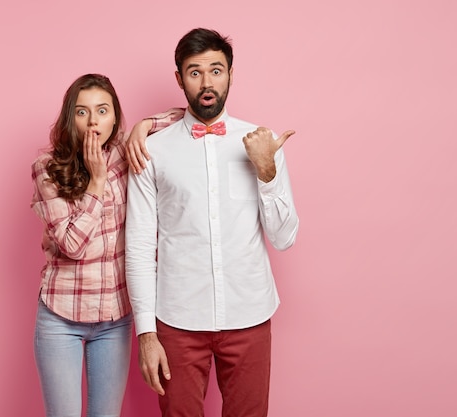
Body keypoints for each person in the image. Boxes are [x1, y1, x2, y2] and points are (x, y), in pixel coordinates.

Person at [125, 28, 299, 417]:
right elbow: (137, 246)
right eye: (195, 72)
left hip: (249, 314)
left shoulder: (264, 141)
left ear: (231, 75)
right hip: (177, 320)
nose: (207, 83)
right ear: (179, 79)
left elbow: (284, 238)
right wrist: (146, 334)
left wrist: (267, 171)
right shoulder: (151, 149)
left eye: (216, 71)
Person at [30, 73, 182, 417]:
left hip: (114, 318)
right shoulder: (47, 169)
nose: (93, 120)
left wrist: (143, 126)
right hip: (61, 315)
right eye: (82, 112)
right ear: (70, 117)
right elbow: (72, 245)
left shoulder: (126, 154)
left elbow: (179, 116)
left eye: (103, 110)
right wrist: (96, 182)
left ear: (115, 117)